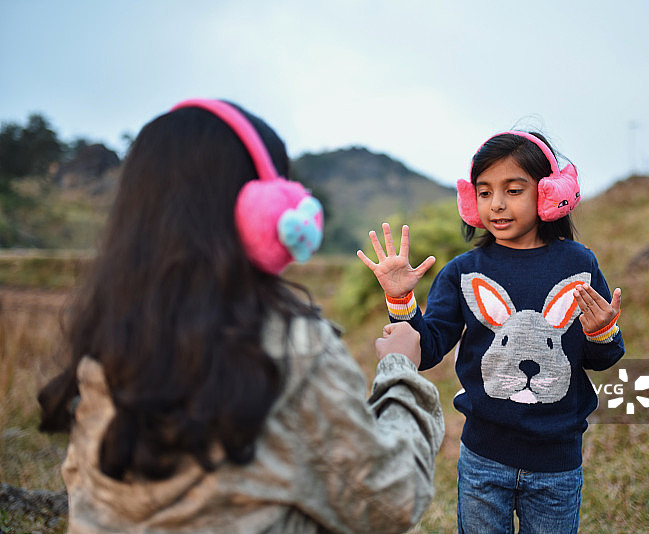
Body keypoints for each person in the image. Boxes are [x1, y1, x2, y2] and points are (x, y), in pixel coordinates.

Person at [38, 98, 444, 534]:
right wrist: (399, 371)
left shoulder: (108, 338)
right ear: (268, 217)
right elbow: (391, 501)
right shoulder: (293, 349)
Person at [357, 130, 625, 534]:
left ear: (549, 194)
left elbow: (603, 359)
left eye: (513, 190)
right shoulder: (464, 272)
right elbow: (427, 349)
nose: (496, 204)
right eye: (484, 193)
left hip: (557, 462)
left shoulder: (578, 265)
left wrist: (602, 330)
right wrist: (401, 302)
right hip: (483, 458)